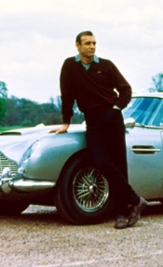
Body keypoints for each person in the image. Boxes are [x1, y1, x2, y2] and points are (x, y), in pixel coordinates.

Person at [50, 30, 147, 229]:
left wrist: (116, 108)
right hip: (92, 121)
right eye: (87, 43)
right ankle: (136, 200)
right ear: (77, 45)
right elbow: (67, 95)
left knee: (119, 165)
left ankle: (122, 213)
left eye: (94, 43)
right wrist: (66, 122)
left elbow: (126, 90)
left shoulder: (106, 65)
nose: (92, 47)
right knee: (101, 162)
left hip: (112, 119)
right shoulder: (70, 66)